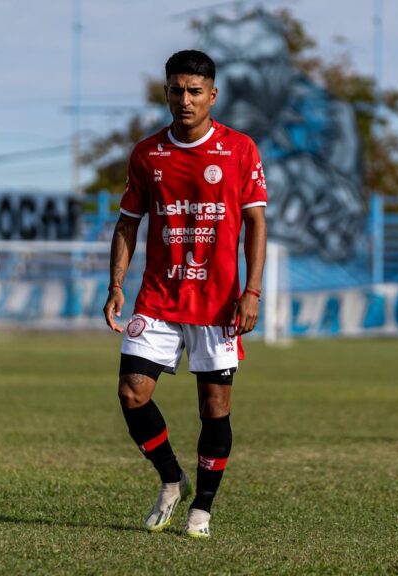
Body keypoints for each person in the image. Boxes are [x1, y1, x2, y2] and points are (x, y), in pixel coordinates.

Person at [103, 49, 267, 538]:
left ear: (212, 96)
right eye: (176, 90)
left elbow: (256, 222)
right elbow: (127, 223)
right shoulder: (147, 154)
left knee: (214, 407)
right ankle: (171, 479)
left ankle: (204, 508)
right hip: (158, 298)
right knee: (132, 392)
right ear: (166, 93)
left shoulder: (239, 150)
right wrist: (115, 284)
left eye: (195, 91)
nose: (185, 99)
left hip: (217, 303)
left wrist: (251, 290)